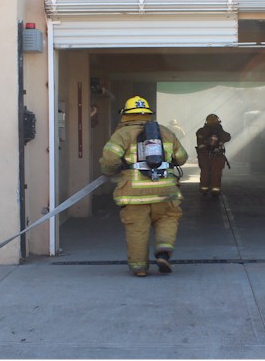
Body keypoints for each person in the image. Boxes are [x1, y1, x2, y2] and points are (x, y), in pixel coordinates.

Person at [99, 96, 189, 277]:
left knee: (137, 229)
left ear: (125, 115)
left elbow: (109, 161)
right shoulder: (165, 132)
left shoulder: (122, 134)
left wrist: (111, 170)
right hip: (165, 192)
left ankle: (139, 268)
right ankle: (163, 252)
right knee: (167, 219)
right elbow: (182, 158)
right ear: (148, 114)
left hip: (134, 194)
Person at [195, 114, 231, 196]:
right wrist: (219, 129)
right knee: (216, 173)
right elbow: (228, 137)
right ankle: (215, 190)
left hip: (204, 156)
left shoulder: (201, 131)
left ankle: (204, 189)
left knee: (205, 172)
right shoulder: (219, 131)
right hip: (217, 156)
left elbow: (199, 141)